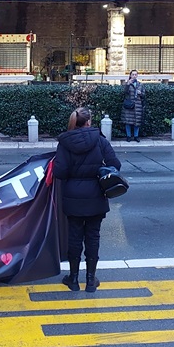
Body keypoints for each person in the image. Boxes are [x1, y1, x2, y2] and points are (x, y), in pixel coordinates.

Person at [53, 106, 120, 293]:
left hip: (72, 197)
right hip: (96, 196)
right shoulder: (100, 140)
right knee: (93, 236)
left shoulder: (65, 143)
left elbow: (59, 172)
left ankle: (73, 279)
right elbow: (115, 165)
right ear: (89, 121)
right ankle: (91, 280)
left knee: (74, 237)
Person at [120, 69, 145, 142]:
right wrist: (128, 84)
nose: (134, 76)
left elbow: (144, 95)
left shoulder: (140, 84)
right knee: (128, 122)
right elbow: (124, 92)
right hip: (129, 105)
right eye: (133, 74)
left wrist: (141, 93)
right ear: (130, 75)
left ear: (137, 76)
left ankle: (136, 136)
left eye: (135, 74)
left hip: (138, 105)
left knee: (137, 122)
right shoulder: (127, 83)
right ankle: (128, 136)